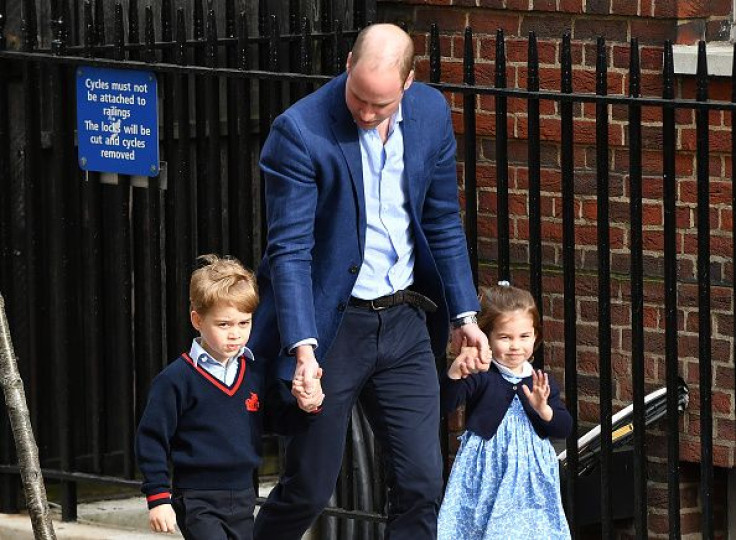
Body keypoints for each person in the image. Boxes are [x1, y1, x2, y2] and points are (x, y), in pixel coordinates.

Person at [249, 22, 489, 540]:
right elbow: (289, 250)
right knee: (309, 488)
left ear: (407, 83)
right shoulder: (300, 131)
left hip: (404, 322)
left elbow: (443, 219)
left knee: (422, 483)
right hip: (334, 330)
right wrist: (303, 350)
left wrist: (466, 314)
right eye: (357, 96)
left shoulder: (429, 115)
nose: (364, 112)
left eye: (378, 105)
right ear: (347, 65)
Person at [135, 254, 319, 539]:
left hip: (245, 495)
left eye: (244, 323)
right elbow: (151, 439)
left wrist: (306, 406)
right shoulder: (175, 380)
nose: (235, 334)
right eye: (224, 324)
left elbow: (280, 421)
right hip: (196, 498)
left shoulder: (257, 373)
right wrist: (158, 496)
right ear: (197, 319)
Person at [437, 282, 572, 539]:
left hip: (529, 479)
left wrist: (544, 410)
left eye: (524, 336)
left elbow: (563, 428)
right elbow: (444, 405)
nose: (515, 346)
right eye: (505, 337)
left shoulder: (540, 382)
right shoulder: (481, 375)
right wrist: (455, 373)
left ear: (536, 336)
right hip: (486, 471)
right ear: (486, 337)